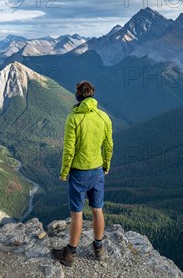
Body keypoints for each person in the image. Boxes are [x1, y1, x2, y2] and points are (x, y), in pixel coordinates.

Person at [51, 81, 114, 266]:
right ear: (92, 95)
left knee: (77, 213)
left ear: (78, 96)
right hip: (97, 171)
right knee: (97, 209)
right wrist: (106, 165)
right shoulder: (104, 117)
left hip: (79, 172)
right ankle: (99, 248)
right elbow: (109, 145)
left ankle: (70, 253)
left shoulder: (73, 118)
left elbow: (69, 149)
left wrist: (64, 172)